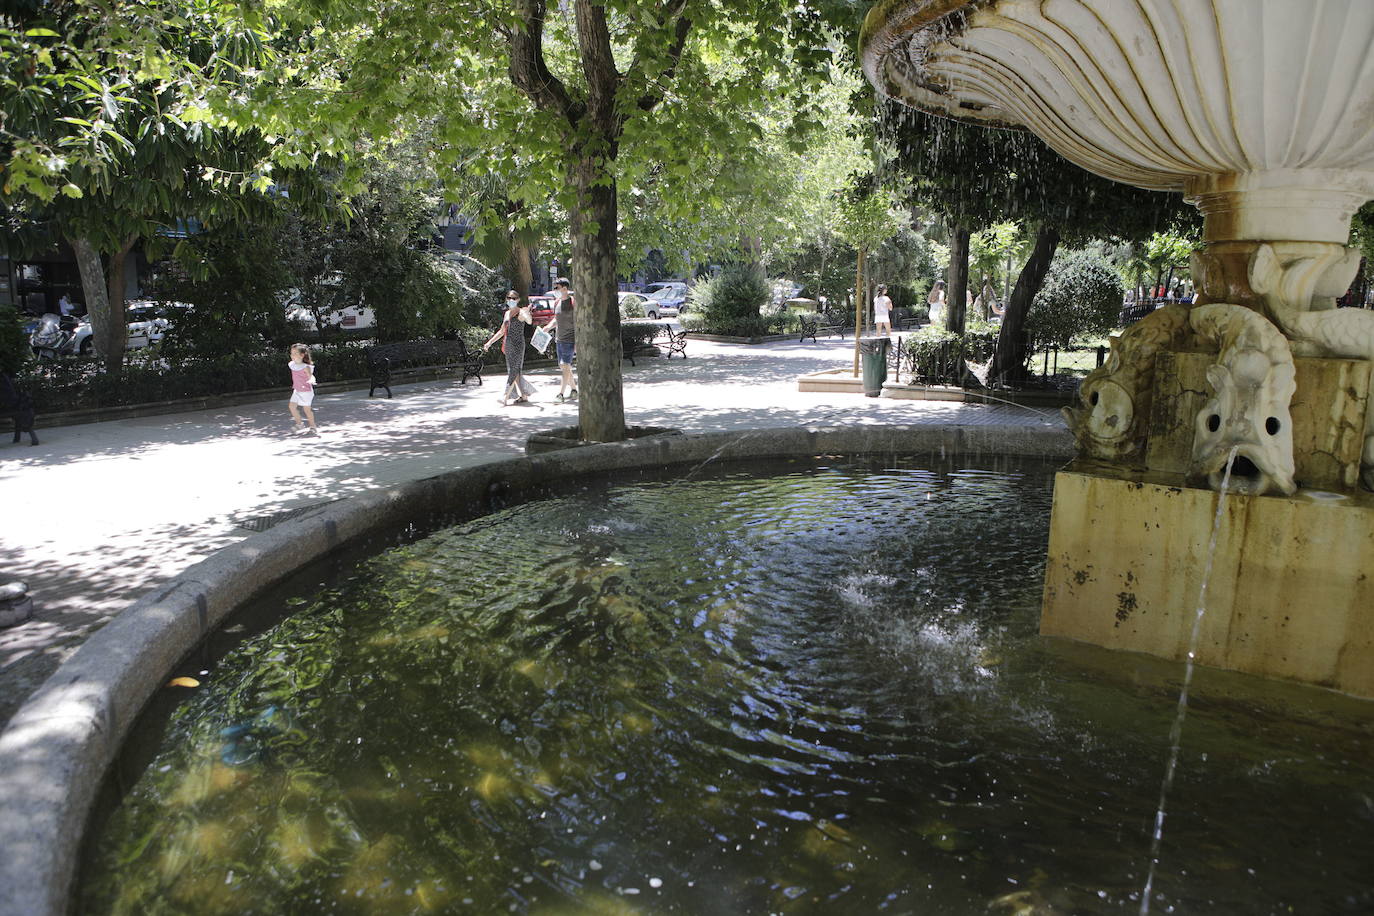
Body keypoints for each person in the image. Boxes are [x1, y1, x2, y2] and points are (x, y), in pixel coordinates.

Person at [482, 297, 536, 405]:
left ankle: (505, 396)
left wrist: (526, 313)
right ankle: (524, 395)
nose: (511, 300)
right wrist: (490, 342)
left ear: (518, 299)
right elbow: (502, 331)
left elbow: (529, 321)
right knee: (514, 371)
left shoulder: (520, 312)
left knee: (513, 370)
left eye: (513, 298)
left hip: (518, 345)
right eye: (509, 298)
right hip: (508, 345)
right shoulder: (507, 313)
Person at [546, 277, 577, 402]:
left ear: (565, 288)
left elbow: (577, 322)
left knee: (565, 366)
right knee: (563, 366)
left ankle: (561, 394)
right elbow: (556, 319)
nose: (555, 290)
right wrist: (548, 327)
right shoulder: (557, 302)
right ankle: (574, 390)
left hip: (570, 339)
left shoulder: (573, 302)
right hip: (559, 339)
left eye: (557, 287)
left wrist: (577, 342)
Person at [287, 343, 319, 436]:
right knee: (292, 407)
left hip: (306, 392)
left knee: (307, 410)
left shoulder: (305, 367)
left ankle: (313, 427)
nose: (292, 355)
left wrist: (312, 380)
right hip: (297, 390)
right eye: (291, 353)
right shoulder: (293, 365)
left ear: (302, 355)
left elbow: (311, 376)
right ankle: (300, 424)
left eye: (294, 353)